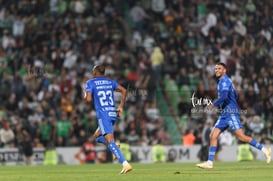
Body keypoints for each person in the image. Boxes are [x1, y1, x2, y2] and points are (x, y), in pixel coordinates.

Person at [196, 62, 271, 169]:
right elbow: (235, 95)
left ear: (224, 70)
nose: (216, 70)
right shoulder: (225, 81)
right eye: (216, 68)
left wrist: (214, 104)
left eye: (219, 68)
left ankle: (265, 150)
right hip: (224, 114)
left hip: (230, 113)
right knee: (213, 135)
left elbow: (225, 96)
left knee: (241, 137)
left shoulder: (225, 81)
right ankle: (209, 162)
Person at [84, 64, 132, 174]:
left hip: (103, 115)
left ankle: (125, 164)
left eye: (93, 71)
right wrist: (120, 107)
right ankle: (116, 146)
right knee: (96, 136)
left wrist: (85, 95)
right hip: (112, 113)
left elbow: (88, 100)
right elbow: (124, 91)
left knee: (110, 141)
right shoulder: (110, 82)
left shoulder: (90, 82)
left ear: (95, 72)